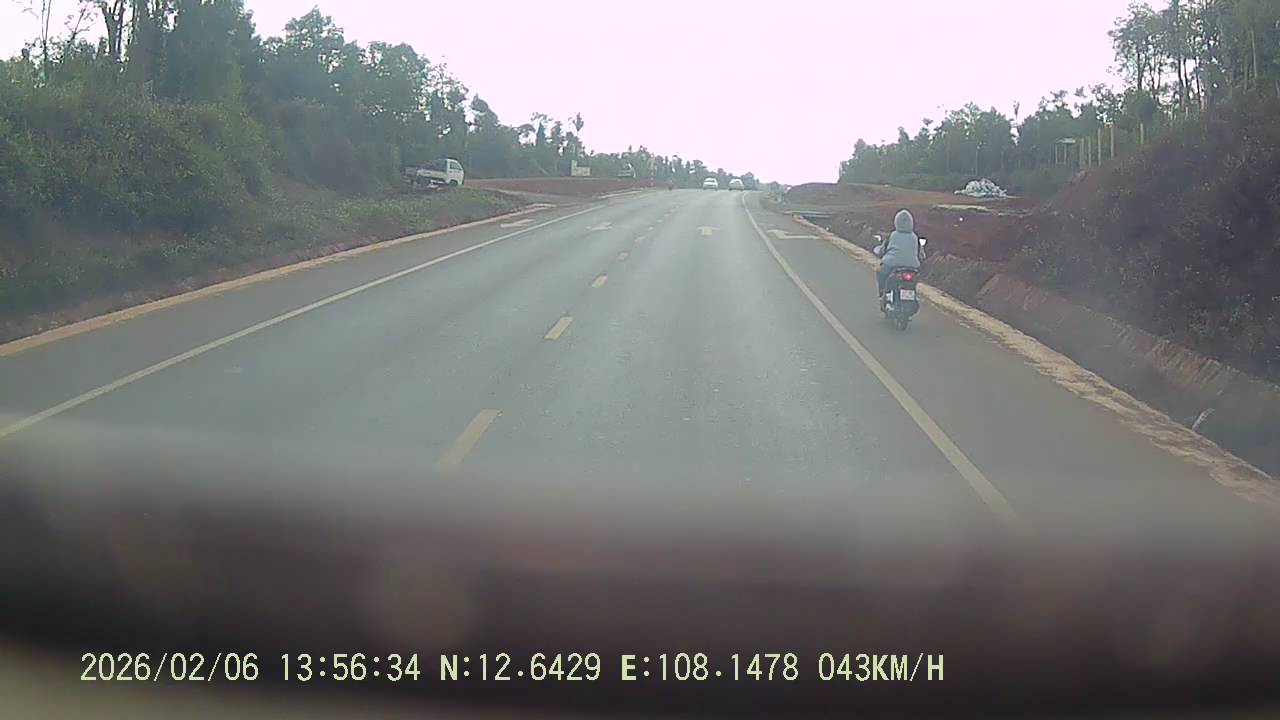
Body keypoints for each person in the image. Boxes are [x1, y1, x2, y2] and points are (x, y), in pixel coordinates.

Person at [874, 209, 922, 299]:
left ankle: (882, 294)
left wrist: (878, 251)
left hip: (891, 266)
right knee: (913, 282)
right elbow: (921, 255)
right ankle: (911, 295)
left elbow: (882, 251)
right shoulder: (915, 237)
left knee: (880, 272)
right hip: (912, 268)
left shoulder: (892, 235)